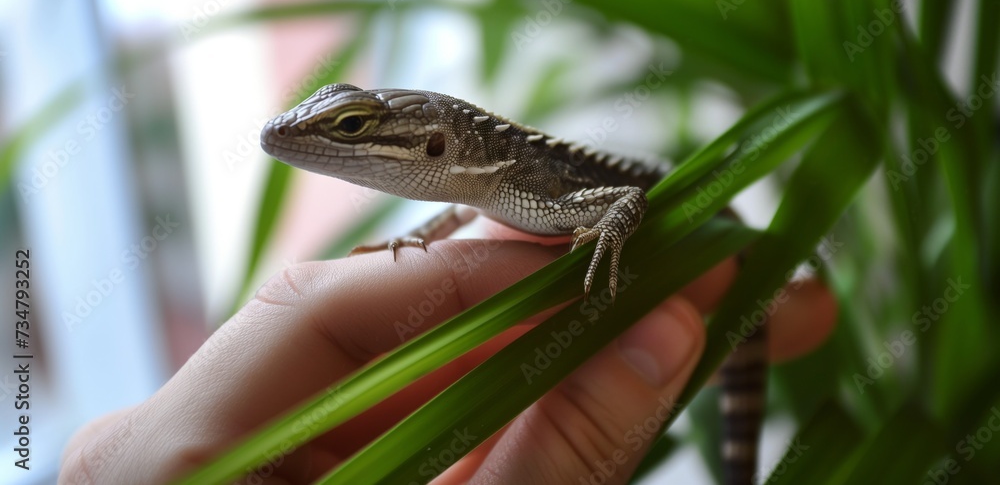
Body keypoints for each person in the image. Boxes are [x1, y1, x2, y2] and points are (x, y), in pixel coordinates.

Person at [59, 222, 837, 485]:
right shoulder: (488, 196)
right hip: (698, 286)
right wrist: (431, 235)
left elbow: (624, 203)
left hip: (711, 254)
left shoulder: (529, 180)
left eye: (358, 127)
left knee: (762, 338)